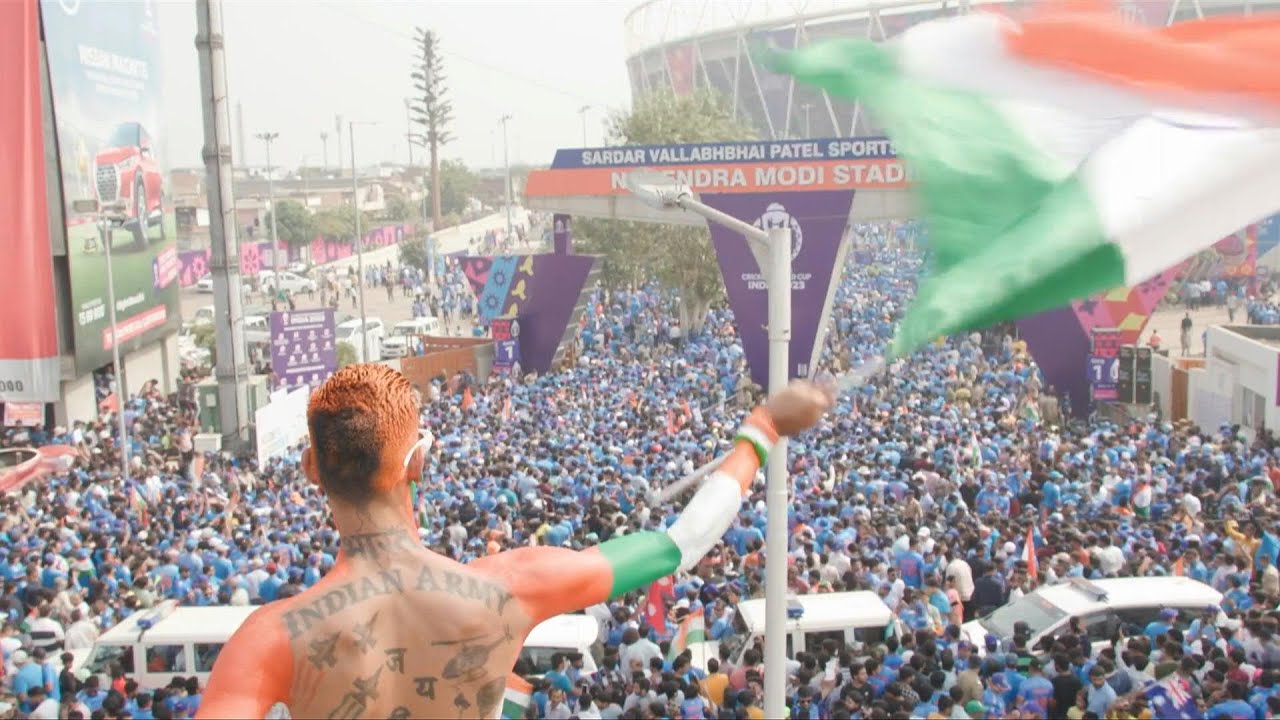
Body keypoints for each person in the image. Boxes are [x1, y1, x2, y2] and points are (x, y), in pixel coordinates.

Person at [196, 364, 832, 719]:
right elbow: (678, 544)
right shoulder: (508, 588)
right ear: (420, 462)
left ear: (311, 467)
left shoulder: (268, 640)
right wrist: (763, 429)